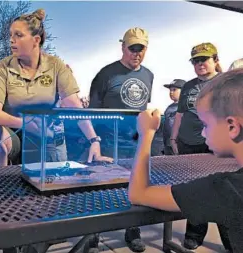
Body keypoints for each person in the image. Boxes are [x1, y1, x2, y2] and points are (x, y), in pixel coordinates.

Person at [128, 68, 243, 253]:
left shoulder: (226, 189)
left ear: (232, 127)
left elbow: (138, 193)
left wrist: (146, 134)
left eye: (206, 124)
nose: (203, 132)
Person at [0, 9, 112, 164]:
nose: (11, 40)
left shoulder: (56, 65)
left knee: (55, 179)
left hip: (47, 134)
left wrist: (94, 140)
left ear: (36, 40)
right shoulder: (1, 68)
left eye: (18, 35)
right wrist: (25, 123)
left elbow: (74, 106)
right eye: (11, 35)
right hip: (14, 132)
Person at [88, 27, 154, 253]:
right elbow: (92, 112)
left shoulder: (148, 75)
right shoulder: (105, 74)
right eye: (132, 48)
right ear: (123, 47)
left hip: (135, 143)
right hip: (107, 142)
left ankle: (132, 231)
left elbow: (142, 109)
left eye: (141, 48)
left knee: (135, 189)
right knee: (99, 188)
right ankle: (92, 235)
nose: (136, 53)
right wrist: (94, 141)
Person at [169, 42, 231, 250]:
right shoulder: (187, 86)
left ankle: (231, 239)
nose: (200, 64)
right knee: (194, 190)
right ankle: (194, 234)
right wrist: (173, 138)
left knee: (224, 189)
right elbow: (180, 114)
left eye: (204, 59)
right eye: (195, 61)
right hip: (188, 145)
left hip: (215, 146)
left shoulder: (225, 83)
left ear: (216, 60)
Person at [162, 79, 185, 155]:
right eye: (170, 90)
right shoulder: (170, 107)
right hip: (168, 145)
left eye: (174, 90)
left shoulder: (187, 106)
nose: (171, 92)